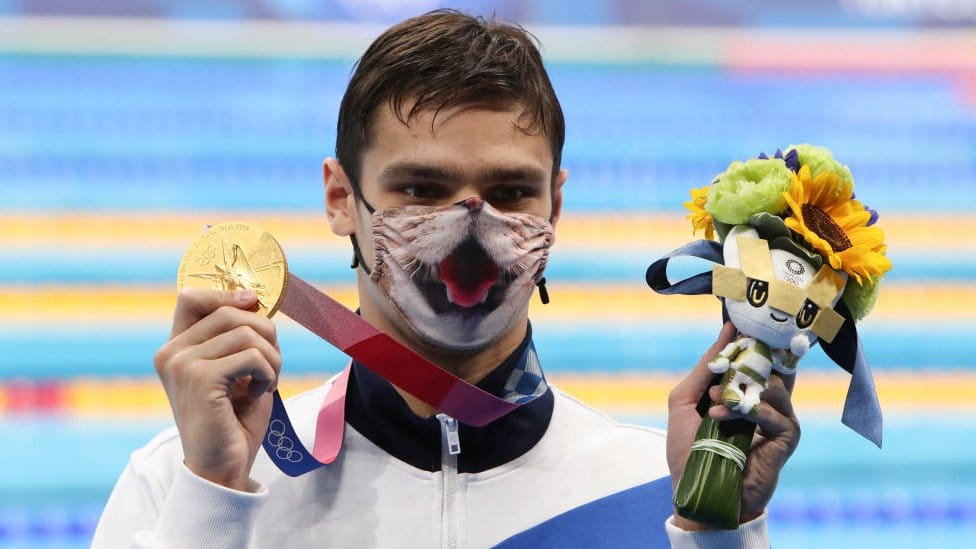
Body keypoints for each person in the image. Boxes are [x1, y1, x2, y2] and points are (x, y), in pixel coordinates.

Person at [93, 9, 799, 548]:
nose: (472, 221)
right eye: (422, 188)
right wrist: (213, 497)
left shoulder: (658, 486)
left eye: (511, 192)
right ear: (341, 199)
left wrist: (718, 530)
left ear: (555, 202)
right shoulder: (185, 479)